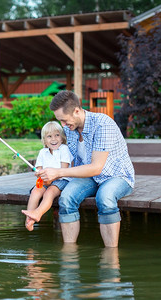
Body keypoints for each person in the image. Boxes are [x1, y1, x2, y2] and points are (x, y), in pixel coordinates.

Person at [37, 90, 134, 247]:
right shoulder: (70, 128)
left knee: (105, 197)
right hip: (89, 177)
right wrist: (47, 172)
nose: (63, 126)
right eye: (59, 121)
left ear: (76, 111)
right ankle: (69, 254)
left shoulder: (103, 124)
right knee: (66, 198)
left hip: (116, 176)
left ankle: (111, 255)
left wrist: (59, 172)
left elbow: (96, 168)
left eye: (64, 120)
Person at [22, 121, 73, 231]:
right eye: (49, 136)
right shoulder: (42, 152)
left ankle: (38, 213)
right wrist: (39, 173)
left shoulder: (64, 149)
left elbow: (64, 170)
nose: (53, 139)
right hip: (46, 180)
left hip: (61, 179)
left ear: (62, 137)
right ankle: (29, 219)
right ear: (44, 140)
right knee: (35, 191)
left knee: (49, 193)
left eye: (57, 135)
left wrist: (52, 178)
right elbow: (39, 169)